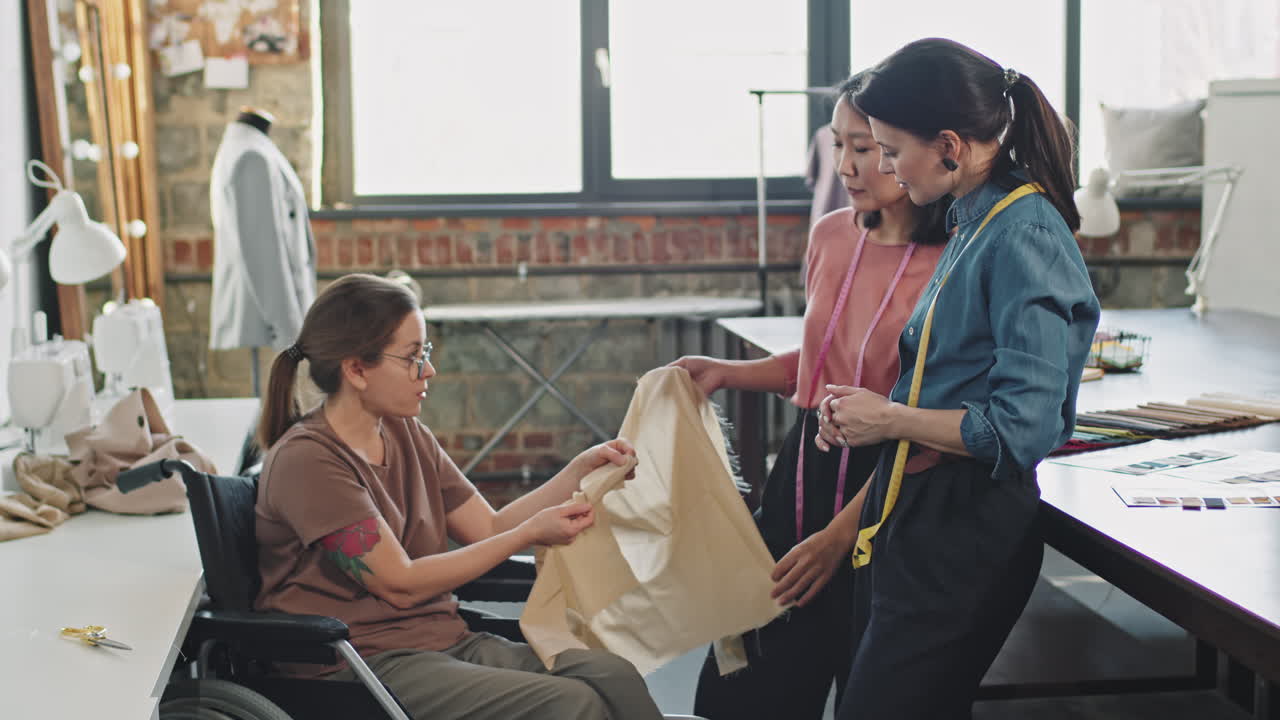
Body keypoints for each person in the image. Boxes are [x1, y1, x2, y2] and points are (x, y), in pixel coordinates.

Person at [816, 39, 1101, 719]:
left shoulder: (1022, 234)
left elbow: (1020, 427)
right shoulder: (973, 219)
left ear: (948, 145)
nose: (881, 167)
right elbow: (947, 381)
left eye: (889, 148)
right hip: (922, 514)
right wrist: (873, 412)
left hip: (966, 525)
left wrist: (887, 419)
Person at [252, 273, 664, 720]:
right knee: (572, 704)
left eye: (424, 353)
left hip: (443, 639)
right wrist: (531, 532)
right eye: (413, 357)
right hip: (359, 660)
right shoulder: (309, 461)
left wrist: (579, 470)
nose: (428, 370)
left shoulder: (407, 434)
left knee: (613, 677)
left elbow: (488, 527)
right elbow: (400, 585)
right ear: (356, 370)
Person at [672, 72, 948, 720]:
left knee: (864, 687)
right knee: (742, 685)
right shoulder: (829, 235)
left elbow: (914, 408)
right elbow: (828, 361)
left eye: (867, 148)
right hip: (803, 470)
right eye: (839, 146)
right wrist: (728, 372)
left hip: (886, 486)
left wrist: (838, 537)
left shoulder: (951, 260)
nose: (848, 167)